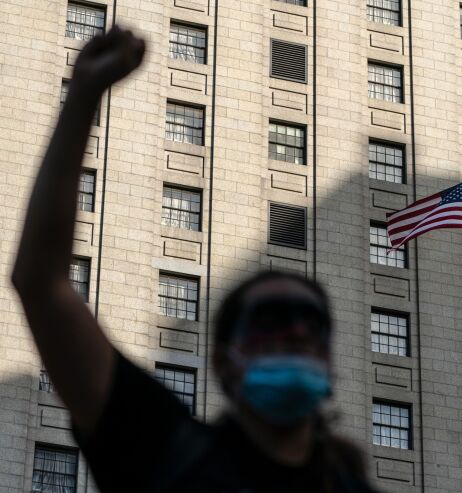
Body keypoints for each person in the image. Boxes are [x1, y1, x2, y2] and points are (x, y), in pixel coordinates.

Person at [12, 26, 378, 493]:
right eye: (270, 319)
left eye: (313, 321)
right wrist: (84, 94)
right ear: (224, 362)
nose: (297, 331)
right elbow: (42, 284)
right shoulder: (162, 450)